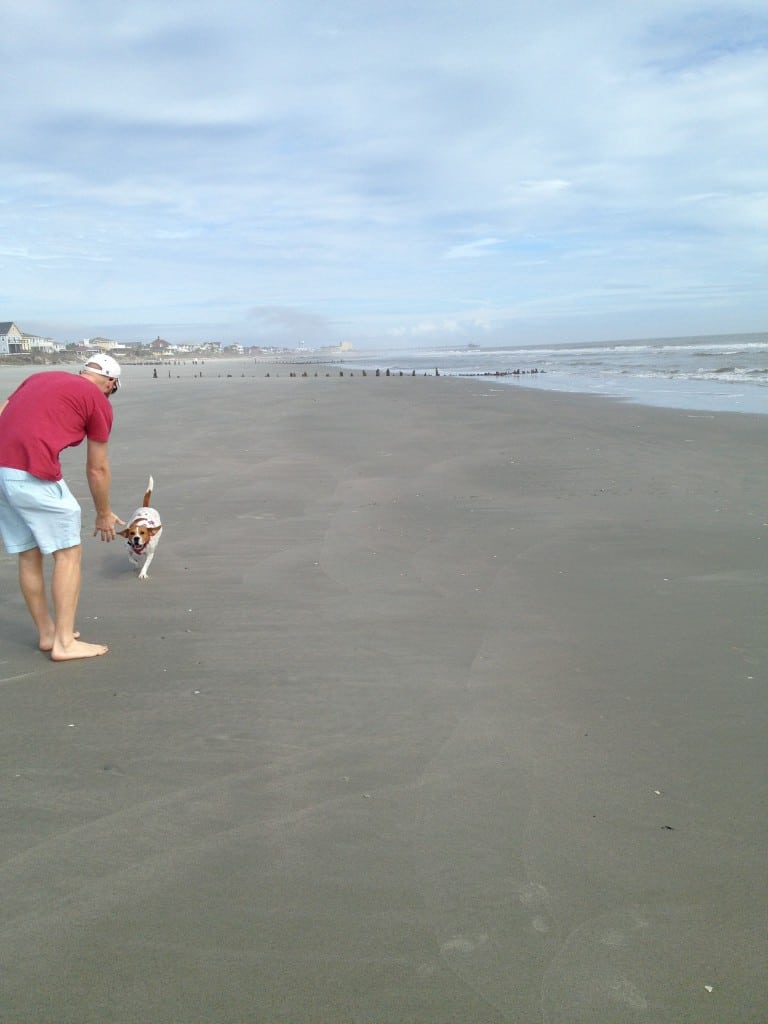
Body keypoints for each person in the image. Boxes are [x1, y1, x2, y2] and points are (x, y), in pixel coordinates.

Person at [0, 355, 125, 660]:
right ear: (110, 383)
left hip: (2, 469)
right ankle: (65, 643)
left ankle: (48, 634)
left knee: (29, 553)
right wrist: (103, 513)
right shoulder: (98, 401)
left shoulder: (40, 378)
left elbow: (3, 409)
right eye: (113, 389)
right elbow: (97, 469)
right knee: (68, 552)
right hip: (31, 473)